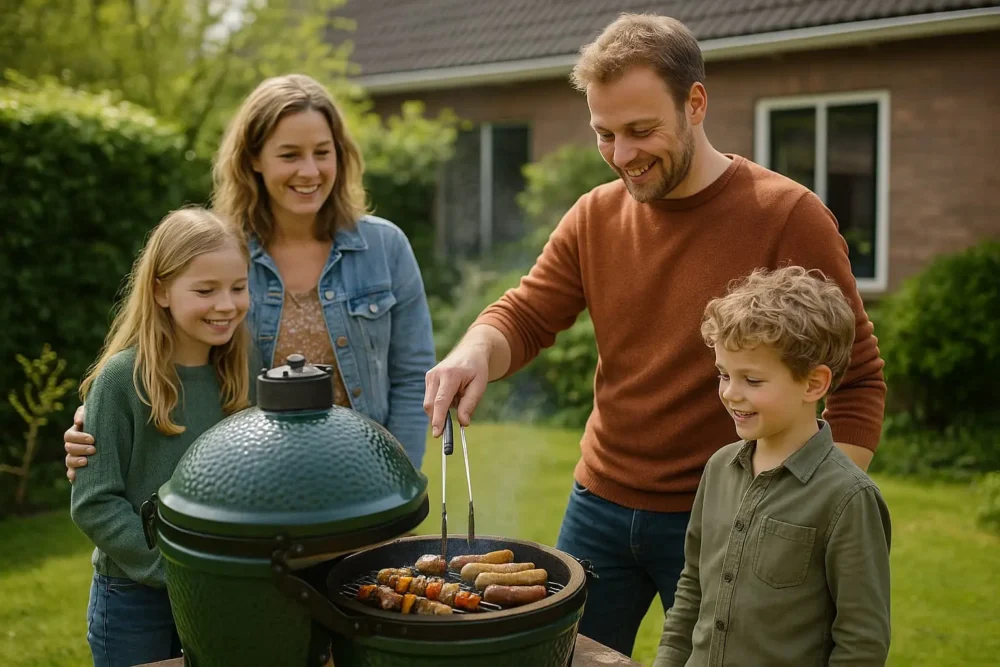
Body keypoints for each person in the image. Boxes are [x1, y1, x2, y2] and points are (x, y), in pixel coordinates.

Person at [422, 13, 886, 657]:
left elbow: (858, 378)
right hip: (599, 505)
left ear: (695, 103)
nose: (621, 155)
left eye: (641, 131)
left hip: (726, 508)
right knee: (563, 657)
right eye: (604, 134)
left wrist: (803, 508)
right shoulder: (595, 214)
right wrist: (472, 351)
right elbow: (524, 316)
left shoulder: (787, 216)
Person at [65, 74, 436, 476]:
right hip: (256, 487)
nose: (309, 171)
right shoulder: (221, 253)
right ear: (254, 158)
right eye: (290, 155)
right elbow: (164, 357)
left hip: (367, 479)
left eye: (322, 152)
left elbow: (413, 376)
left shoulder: (385, 247)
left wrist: (398, 475)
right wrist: (99, 421)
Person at [654, 266, 891, 666]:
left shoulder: (849, 498)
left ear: (814, 384)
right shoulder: (718, 469)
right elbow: (691, 590)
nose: (730, 393)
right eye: (724, 374)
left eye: (753, 380)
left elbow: (861, 643)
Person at [70, 207, 253, 667]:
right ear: (161, 290)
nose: (226, 304)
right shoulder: (120, 380)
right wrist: (169, 570)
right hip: (133, 596)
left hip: (219, 592)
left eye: (238, 287)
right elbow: (94, 501)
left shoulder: (239, 377)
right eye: (205, 290)